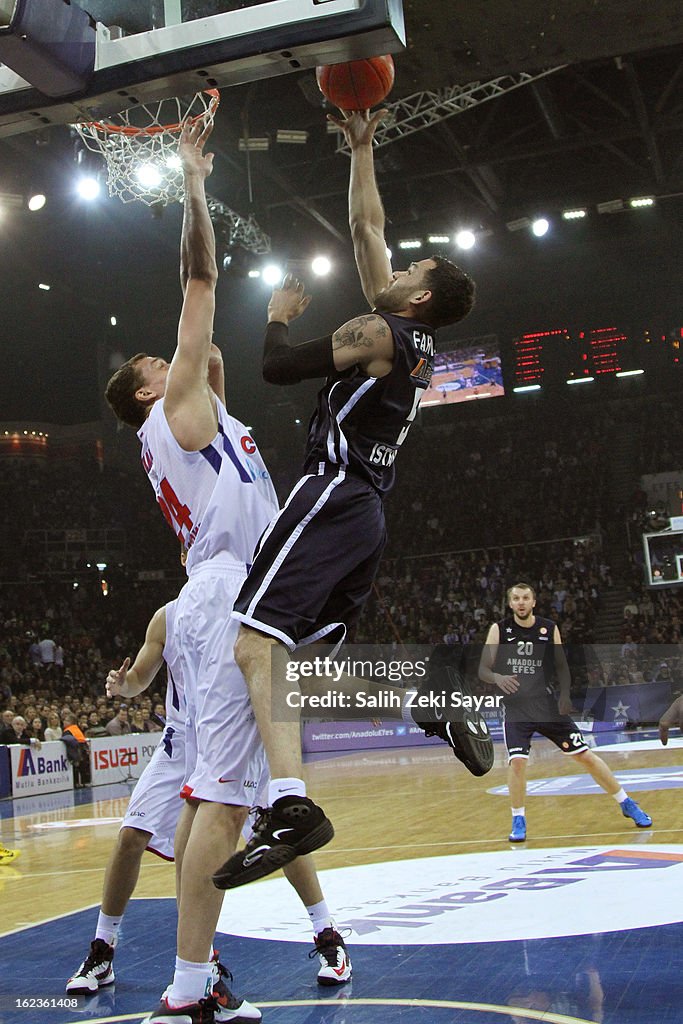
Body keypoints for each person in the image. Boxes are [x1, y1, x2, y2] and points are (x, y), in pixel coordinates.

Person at [103, 120, 348, 1024]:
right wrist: (196, 181)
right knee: (225, 801)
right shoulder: (172, 410)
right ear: (144, 393)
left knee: (228, 803)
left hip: (247, 589)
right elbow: (198, 281)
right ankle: (184, 987)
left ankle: (192, 984)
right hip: (229, 597)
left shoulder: (214, 418)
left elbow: (214, 349)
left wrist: (275, 323)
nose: (172, 360)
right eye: (155, 364)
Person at [214, 107, 476, 891]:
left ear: (417, 298)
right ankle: (427, 696)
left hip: (331, 492)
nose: (397, 266)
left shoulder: (378, 332)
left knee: (254, 646)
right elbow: (368, 230)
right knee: (301, 671)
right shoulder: (407, 334)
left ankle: (290, 805)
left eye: (412, 269)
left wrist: (272, 320)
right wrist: (362, 149)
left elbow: (278, 370)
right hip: (365, 512)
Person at [68, 597, 352, 999]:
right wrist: (123, 684)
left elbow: (284, 668)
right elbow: (140, 678)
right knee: (131, 835)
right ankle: (103, 950)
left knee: (283, 831)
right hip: (183, 740)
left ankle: (328, 936)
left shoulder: (254, 603)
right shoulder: (166, 616)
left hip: (236, 732)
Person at [478, 581, 652, 842]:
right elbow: (483, 670)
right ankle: (518, 818)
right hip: (517, 708)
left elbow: (561, 667)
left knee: (586, 757)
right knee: (517, 763)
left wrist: (565, 695)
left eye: (526, 597)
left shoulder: (548, 628)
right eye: (516, 598)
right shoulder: (499, 630)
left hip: (547, 705)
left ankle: (626, 802)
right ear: (510, 603)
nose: (521, 602)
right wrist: (498, 678)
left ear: (534, 601)